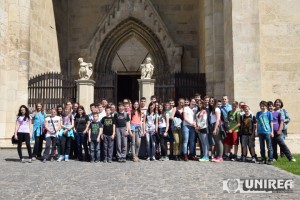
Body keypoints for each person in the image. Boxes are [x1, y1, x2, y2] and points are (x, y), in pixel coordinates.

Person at [256, 101, 274, 165]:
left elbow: (271, 122)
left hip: (267, 132)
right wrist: (257, 131)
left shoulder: (269, 113)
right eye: (261, 106)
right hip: (261, 132)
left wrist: (272, 131)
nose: (262, 107)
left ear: (266, 106)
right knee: (262, 146)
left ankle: (270, 159)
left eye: (263, 106)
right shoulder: (258, 113)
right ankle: (263, 159)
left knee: (269, 146)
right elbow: (257, 123)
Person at [210, 98, 223, 162]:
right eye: (210, 101)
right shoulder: (213, 109)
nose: (211, 102)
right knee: (216, 142)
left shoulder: (216, 109)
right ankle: (217, 156)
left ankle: (220, 157)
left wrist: (215, 128)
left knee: (219, 142)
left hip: (216, 126)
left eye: (212, 101)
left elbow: (218, 119)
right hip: (213, 125)